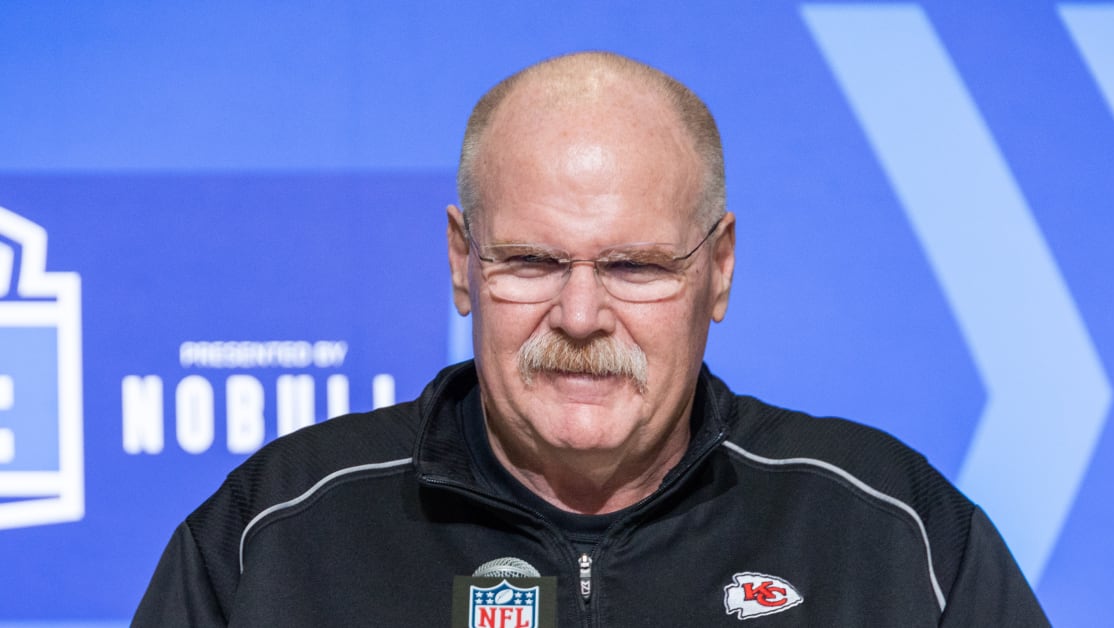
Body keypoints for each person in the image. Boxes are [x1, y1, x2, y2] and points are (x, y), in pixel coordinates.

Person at [133, 51, 1048, 626]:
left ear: (719, 269)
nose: (578, 318)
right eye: (531, 261)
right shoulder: (279, 535)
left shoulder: (887, 531)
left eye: (635, 268)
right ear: (462, 261)